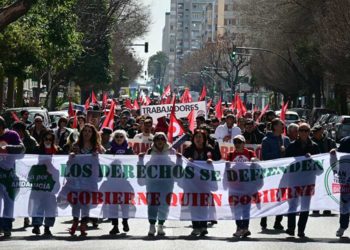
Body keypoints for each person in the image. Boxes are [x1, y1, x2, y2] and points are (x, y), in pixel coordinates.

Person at [68, 123, 105, 236]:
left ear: (93, 133)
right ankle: (75, 222)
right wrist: (72, 156)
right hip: (77, 178)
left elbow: (104, 157)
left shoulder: (97, 147)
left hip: (90, 178)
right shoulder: (76, 145)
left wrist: (97, 155)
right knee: (76, 202)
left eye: (89, 131)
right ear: (82, 133)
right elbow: (70, 161)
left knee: (86, 202)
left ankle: (83, 224)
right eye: (85, 131)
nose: (87, 133)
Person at [285, 123, 320, 238]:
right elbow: (286, 163)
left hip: (308, 181)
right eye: (302, 130)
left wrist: (312, 159)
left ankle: (301, 229)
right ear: (298, 132)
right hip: (294, 180)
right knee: (292, 205)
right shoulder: (291, 146)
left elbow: (320, 166)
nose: (304, 133)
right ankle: (291, 228)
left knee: (305, 207)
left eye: (306, 130)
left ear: (309, 132)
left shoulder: (315, 147)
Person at [139, 132, 176, 236]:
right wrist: (141, 159)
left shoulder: (171, 151)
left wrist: (178, 159)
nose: (160, 141)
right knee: (152, 204)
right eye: (157, 139)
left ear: (165, 141)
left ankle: (160, 225)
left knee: (164, 203)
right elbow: (146, 165)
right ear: (154, 141)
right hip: (152, 182)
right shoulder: (150, 151)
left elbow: (176, 165)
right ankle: (151, 225)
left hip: (167, 182)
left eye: (162, 139)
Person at [183, 129, 216, 236]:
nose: (198, 139)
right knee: (194, 204)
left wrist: (212, 161)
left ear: (204, 139)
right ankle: (196, 226)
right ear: (193, 139)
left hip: (205, 182)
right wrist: (188, 160)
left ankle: (203, 226)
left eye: (200, 137)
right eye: (196, 136)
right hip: (192, 182)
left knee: (203, 204)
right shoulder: (188, 149)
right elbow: (182, 162)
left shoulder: (209, 149)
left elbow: (217, 160)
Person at [260, 118, 290, 231]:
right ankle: (264, 218)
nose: (283, 127)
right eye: (281, 125)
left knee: (281, 197)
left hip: (283, 174)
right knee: (268, 196)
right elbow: (265, 156)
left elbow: (290, 155)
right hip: (270, 174)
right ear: (274, 126)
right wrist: (278, 151)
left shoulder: (286, 140)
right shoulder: (266, 140)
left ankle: (278, 221)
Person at [30, 131, 62, 236]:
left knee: (50, 205)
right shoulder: (37, 149)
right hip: (39, 177)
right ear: (42, 139)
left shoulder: (57, 150)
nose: (48, 141)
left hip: (52, 177)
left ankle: (47, 227)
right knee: (37, 204)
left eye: (50, 139)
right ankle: (36, 226)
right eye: (46, 139)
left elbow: (63, 158)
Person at [226, 135, 257, 237]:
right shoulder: (230, 154)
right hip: (235, 186)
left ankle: (245, 228)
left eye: (239, 142)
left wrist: (254, 160)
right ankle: (239, 227)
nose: (237, 144)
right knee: (236, 208)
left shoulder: (249, 153)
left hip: (247, 185)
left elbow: (256, 162)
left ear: (244, 143)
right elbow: (226, 168)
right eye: (235, 142)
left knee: (246, 208)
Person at [0, 116, 25, 238]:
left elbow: (22, 149)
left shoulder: (12, 135)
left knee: (9, 202)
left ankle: (7, 226)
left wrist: (7, 148)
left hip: (9, 175)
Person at [105, 130, 133, 235]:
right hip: (112, 182)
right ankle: (115, 225)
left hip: (125, 182)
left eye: (121, 136)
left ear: (124, 138)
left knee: (125, 203)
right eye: (117, 137)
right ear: (113, 138)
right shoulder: (109, 151)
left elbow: (133, 165)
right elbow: (104, 164)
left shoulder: (129, 150)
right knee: (113, 204)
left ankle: (125, 221)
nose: (119, 138)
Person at [12, 121, 38, 228]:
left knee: (27, 194)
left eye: (16, 130)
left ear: (21, 131)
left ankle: (27, 217)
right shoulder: (12, 140)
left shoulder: (31, 141)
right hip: (14, 170)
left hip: (27, 171)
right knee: (15, 193)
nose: (14, 132)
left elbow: (36, 153)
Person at [311, 124, 337, 216]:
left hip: (327, 168)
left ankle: (327, 208)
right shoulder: (311, 142)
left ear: (321, 132)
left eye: (316, 132)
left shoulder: (330, 141)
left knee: (327, 188)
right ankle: (316, 207)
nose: (314, 134)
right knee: (316, 189)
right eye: (313, 132)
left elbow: (336, 151)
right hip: (315, 169)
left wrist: (333, 150)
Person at [334, 136, 350, 237]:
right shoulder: (346, 140)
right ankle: (343, 226)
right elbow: (339, 155)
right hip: (346, 178)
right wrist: (333, 152)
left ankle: (342, 227)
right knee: (345, 203)